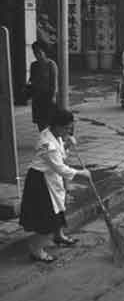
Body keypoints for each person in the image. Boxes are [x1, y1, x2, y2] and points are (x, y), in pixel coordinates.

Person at [19, 108, 91, 263]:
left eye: (70, 127)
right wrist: (81, 173)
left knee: (59, 207)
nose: (69, 130)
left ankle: (59, 236)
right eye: (67, 128)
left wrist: (67, 145)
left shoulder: (55, 134)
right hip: (40, 182)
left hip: (51, 178)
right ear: (57, 125)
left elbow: (60, 156)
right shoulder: (47, 143)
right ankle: (36, 249)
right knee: (48, 215)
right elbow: (60, 167)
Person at [27, 41, 58, 131]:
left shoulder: (51, 64)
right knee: (40, 123)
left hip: (48, 98)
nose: (37, 55)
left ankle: (50, 142)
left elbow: (54, 84)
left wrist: (53, 97)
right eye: (35, 52)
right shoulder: (34, 65)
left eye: (39, 52)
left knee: (49, 123)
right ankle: (44, 142)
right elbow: (31, 81)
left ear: (44, 52)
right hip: (37, 98)